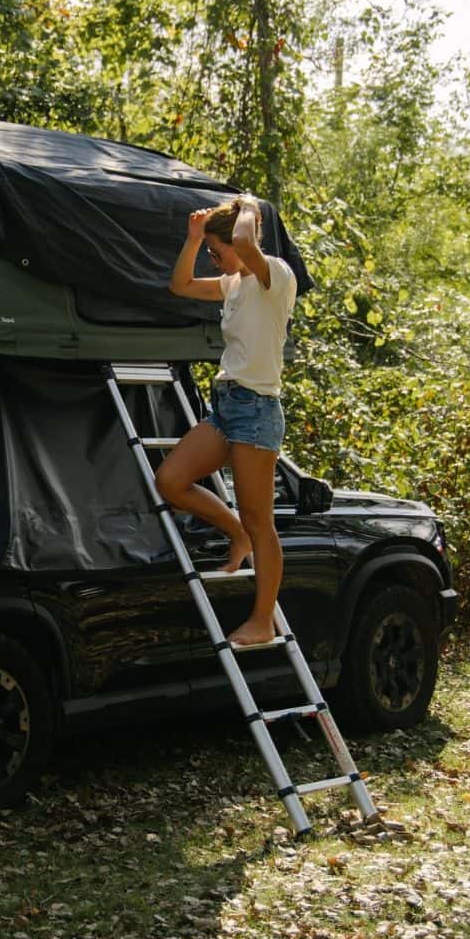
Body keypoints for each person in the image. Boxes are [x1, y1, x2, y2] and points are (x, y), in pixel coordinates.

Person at [158, 195, 298, 647]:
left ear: (244, 242)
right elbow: (179, 286)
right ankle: (234, 532)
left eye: (218, 253)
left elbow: (243, 239)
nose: (215, 261)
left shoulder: (273, 275)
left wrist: (249, 207)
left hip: (257, 410)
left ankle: (262, 620)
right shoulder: (235, 284)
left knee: (263, 521)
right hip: (226, 406)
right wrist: (196, 239)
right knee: (171, 480)